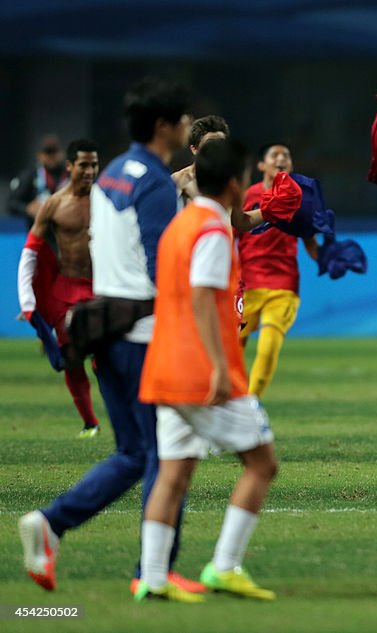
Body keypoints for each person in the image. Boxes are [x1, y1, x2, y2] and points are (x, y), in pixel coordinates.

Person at [17, 78, 203, 595]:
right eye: (184, 119)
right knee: (167, 457)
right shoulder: (156, 184)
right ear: (165, 126)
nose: (188, 126)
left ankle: (51, 524)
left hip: (105, 330)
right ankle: (153, 572)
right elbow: (163, 262)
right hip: (147, 333)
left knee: (133, 453)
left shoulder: (114, 174)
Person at [136, 138, 278, 603]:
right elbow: (202, 296)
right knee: (261, 463)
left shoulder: (182, 223)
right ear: (237, 185)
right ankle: (224, 565)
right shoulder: (214, 232)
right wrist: (219, 367)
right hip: (201, 373)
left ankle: (153, 579)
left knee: (173, 474)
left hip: (164, 366)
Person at [17, 139, 103, 437]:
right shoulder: (54, 204)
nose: (90, 170)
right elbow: (30, 251)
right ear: (70, 166)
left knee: (109, 357)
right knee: (73, 358)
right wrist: (27, 301)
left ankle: (123, 415)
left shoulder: (108, 200)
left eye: (94, 164)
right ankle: (90, 422)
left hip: (103, 286)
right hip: (67, 289)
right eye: (83, 165)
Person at [237, 143, 318, 397]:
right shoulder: (245, 195)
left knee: (269, 344)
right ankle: (229, 399)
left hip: (283, 285)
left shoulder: (301, 200)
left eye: (286, 155)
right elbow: (231, 233)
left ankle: (250, 404)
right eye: (275, 155)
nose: (281, 158)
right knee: (231, 345)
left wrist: (327, 261)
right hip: (246, 284)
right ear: (262, 165)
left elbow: (310, 241)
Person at [8, 135, 68, 229]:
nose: (51, 156)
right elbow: (11, 204)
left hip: (67, 235)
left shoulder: (71, 176)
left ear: (62, 153)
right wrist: (27, 208)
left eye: (54, 152)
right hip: (39, 235)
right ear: (39, 155)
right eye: (48, 152)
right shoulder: (30, 176)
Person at [171, 115, 230, 205]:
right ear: (194, 149)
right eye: (210, 144)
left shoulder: (229, 182)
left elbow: (235, 218)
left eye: (221, 142)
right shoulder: (177, 180)